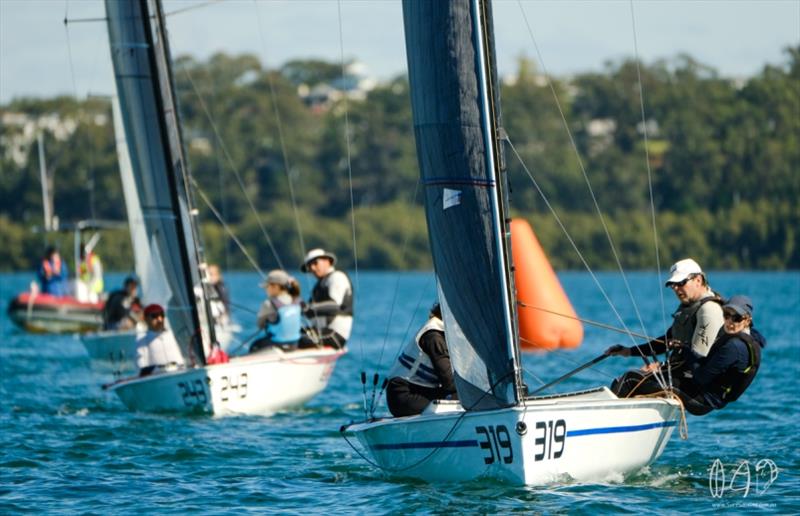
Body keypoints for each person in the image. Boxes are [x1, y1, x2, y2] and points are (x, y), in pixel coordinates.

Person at [608, 296, 765, 416]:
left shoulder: (734, 347)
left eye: (736, 317)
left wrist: (686, 352)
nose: (730, 322)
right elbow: (707, 366)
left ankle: (608, 418)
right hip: (707, 394)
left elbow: (702, 376)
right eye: (726, 315)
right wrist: (685, 349)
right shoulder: (748, 340)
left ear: (747, 320)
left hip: (702, 399)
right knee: (650, 378)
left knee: (631, 378)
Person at [606, 258, 725, 364]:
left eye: (681, 283)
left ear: (698, 280)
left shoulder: (709, 310)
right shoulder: (689, 307)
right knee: (627, 380)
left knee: (629, 382)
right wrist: (628, 351)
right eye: (673, 285)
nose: (676, 288)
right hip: (680, 373)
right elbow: (665, 341)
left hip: (695, 382)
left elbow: (698, 359)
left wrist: (660, 367)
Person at [386, 303, 457, 417]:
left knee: (465, 395)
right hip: (404, 396)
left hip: (422, 392)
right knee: (465, 396)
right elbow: (450, 384)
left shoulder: (442, 332)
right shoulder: (434, 336)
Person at [299, 248, 353, 349]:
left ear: (327, 261)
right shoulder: (319, 286)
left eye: (315, 263)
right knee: (287, 336)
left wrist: (308, 307)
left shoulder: (337, 277)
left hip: (335, 335)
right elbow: (310, 313)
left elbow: (334, 306)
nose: (312, 268)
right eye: (309, 266)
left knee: (298, 339)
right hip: (320, 332)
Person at [250, 269, 302, 353]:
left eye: (267, 286)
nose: (266, 289)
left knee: (254, 346)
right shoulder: (297, 301)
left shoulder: (268, 304)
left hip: (276, 344)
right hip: (294, 344)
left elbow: (260, 325)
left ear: (276, 287)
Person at [135, 303, 185, 376]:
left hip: (181, 374)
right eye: (154, 316)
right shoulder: (142, 340)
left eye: (162, 315)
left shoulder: (174, 335)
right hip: (159, 377)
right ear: (146, 319)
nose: (159, 319)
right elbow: (141, 365)